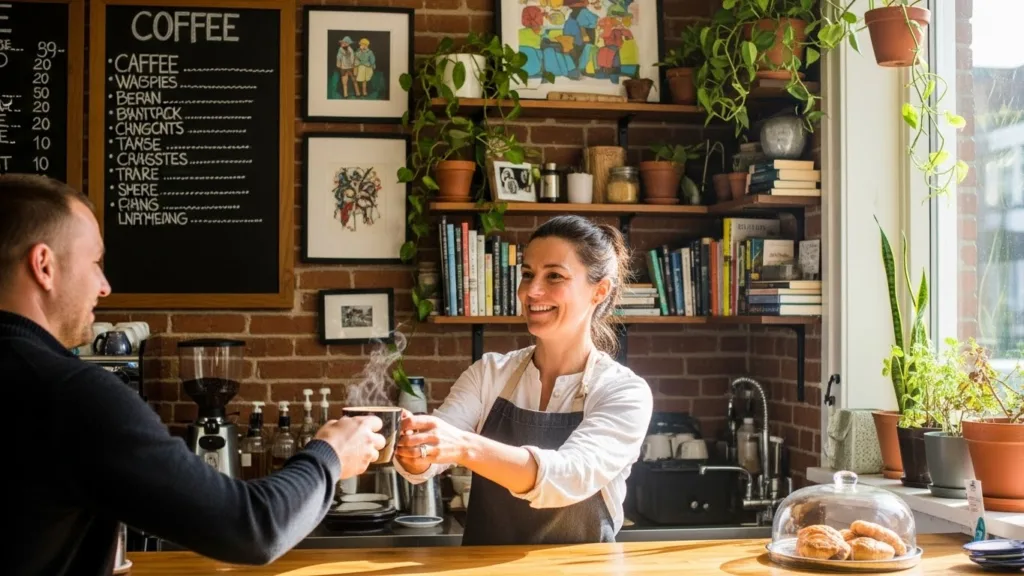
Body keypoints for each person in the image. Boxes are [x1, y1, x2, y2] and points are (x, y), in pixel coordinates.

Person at [1, 174, 386, 575]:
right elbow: (252, 527)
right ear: (44, 265)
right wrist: (330, 455)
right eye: (96, 263)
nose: (105, 286)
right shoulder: (72, 395)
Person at [394, 215, 653, 545]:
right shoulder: (489, 374)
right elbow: (427, 461)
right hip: (484, 567)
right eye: (528, 274)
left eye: (554, 276)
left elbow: (568, 475)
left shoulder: (623, 391)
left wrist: (463, 446)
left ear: (599, 291)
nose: (532, 291)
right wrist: (415, 449)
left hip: (583, 568)